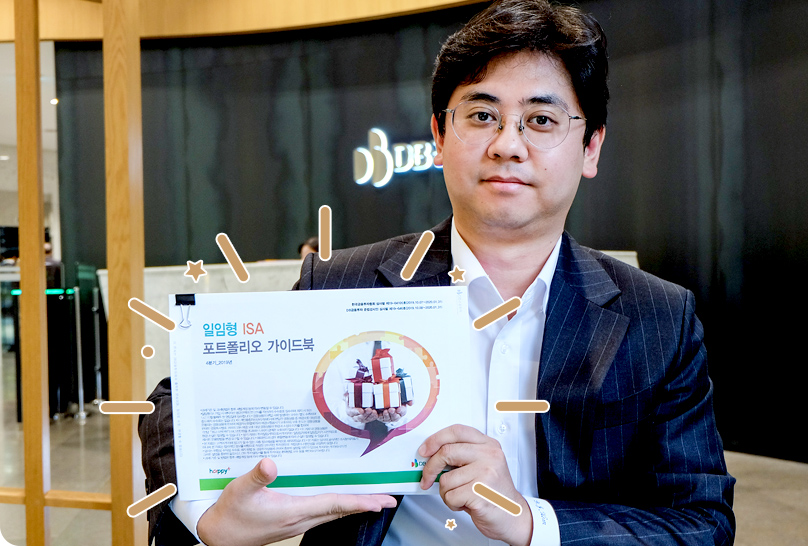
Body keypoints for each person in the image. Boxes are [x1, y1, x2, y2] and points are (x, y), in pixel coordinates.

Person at [139, 1, 736, 545]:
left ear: (591, 148)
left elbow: (701, 523)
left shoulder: (658, 317)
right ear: (439, 137)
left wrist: (531, 521)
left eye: (541, 120)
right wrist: (204, 514)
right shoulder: (343, 281)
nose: (507, 145)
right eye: (481, 114)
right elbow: (178, 401)